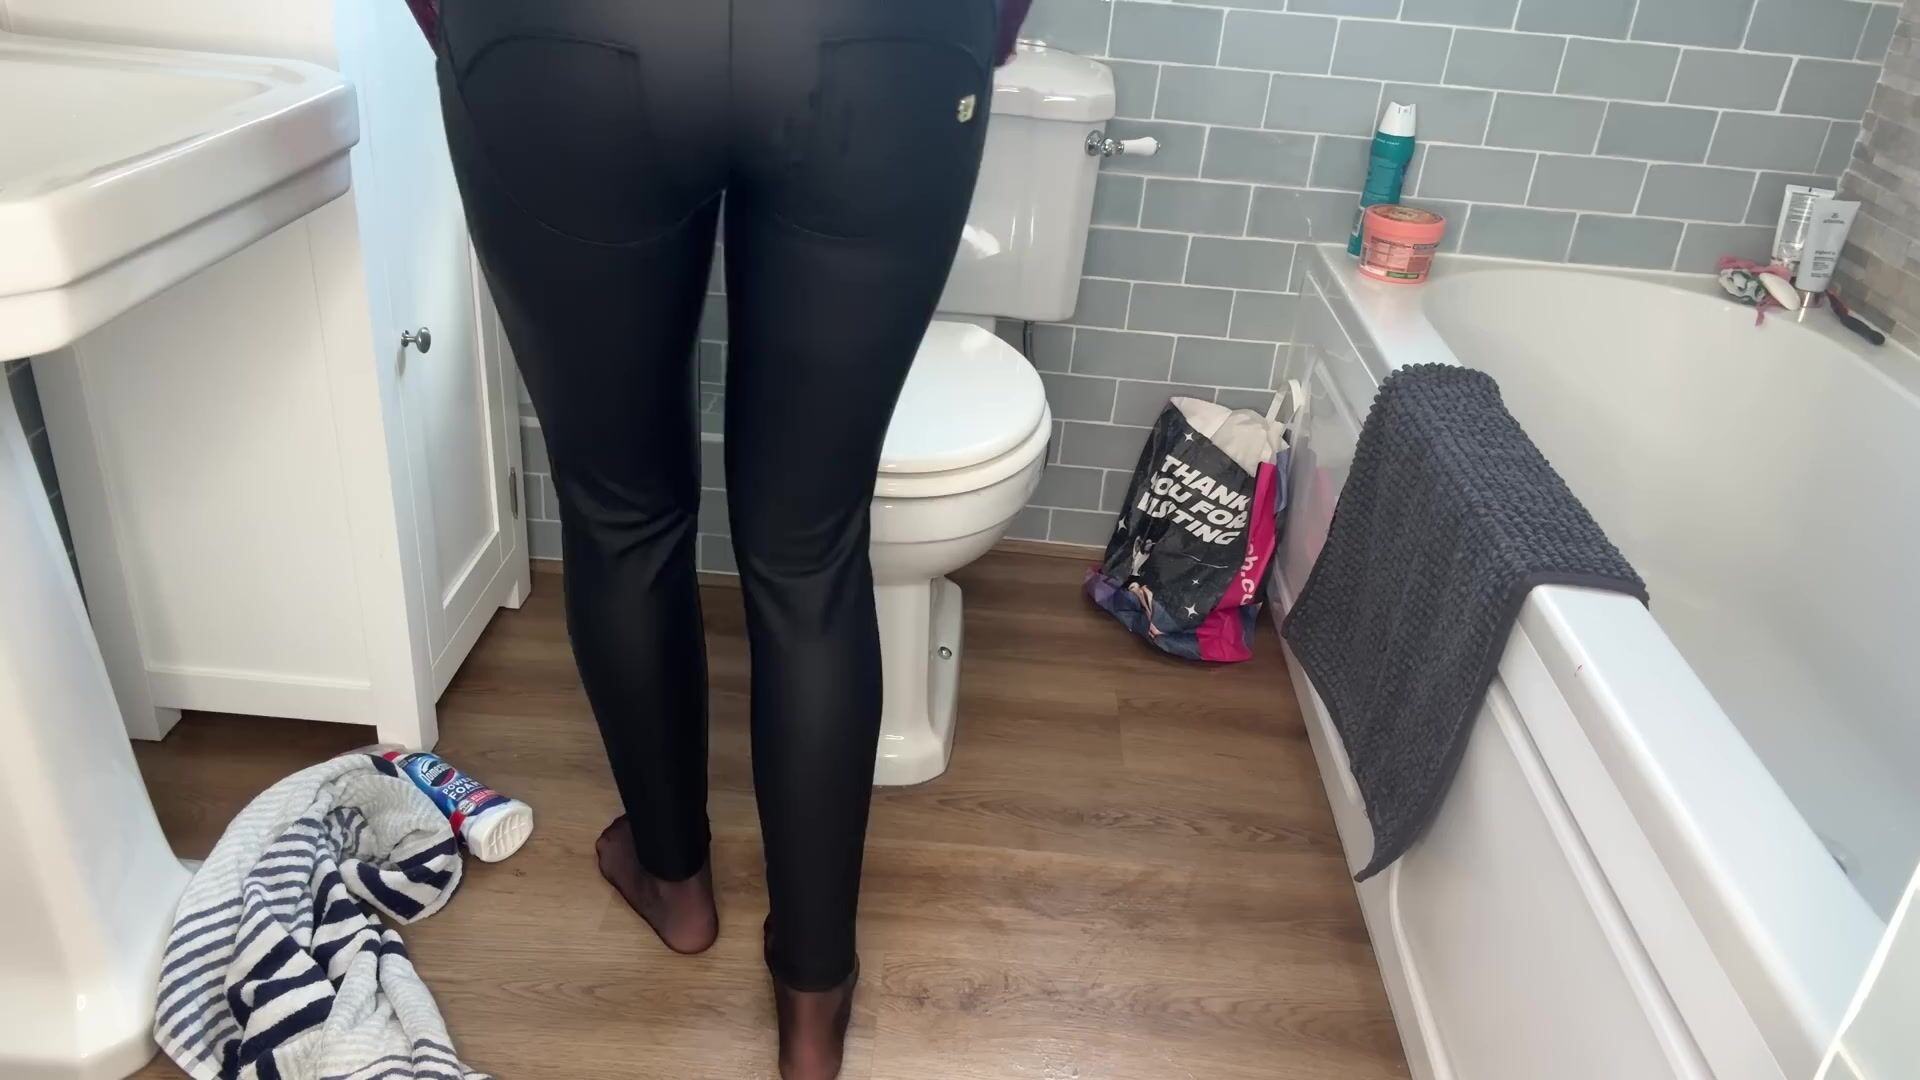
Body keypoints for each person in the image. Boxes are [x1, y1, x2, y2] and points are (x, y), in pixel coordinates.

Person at [419, 2, 1028, 1076]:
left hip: (562, 41)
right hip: (885, 42)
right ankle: (814, 996)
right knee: (810, 551)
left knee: (622, 515)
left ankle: (676, 886)